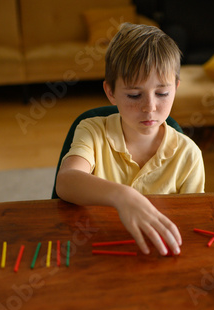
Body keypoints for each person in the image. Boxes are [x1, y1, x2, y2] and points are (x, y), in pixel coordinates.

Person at [56, 23, 205, 256]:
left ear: (176, 88)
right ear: (111, 92)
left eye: (162, 93)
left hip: (156, 253)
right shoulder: (93, 130)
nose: (150, 107)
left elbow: (190, 222)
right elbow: (65, 181)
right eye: (134, 95)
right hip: (97, 249)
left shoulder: (189, 154)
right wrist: (122, 196)